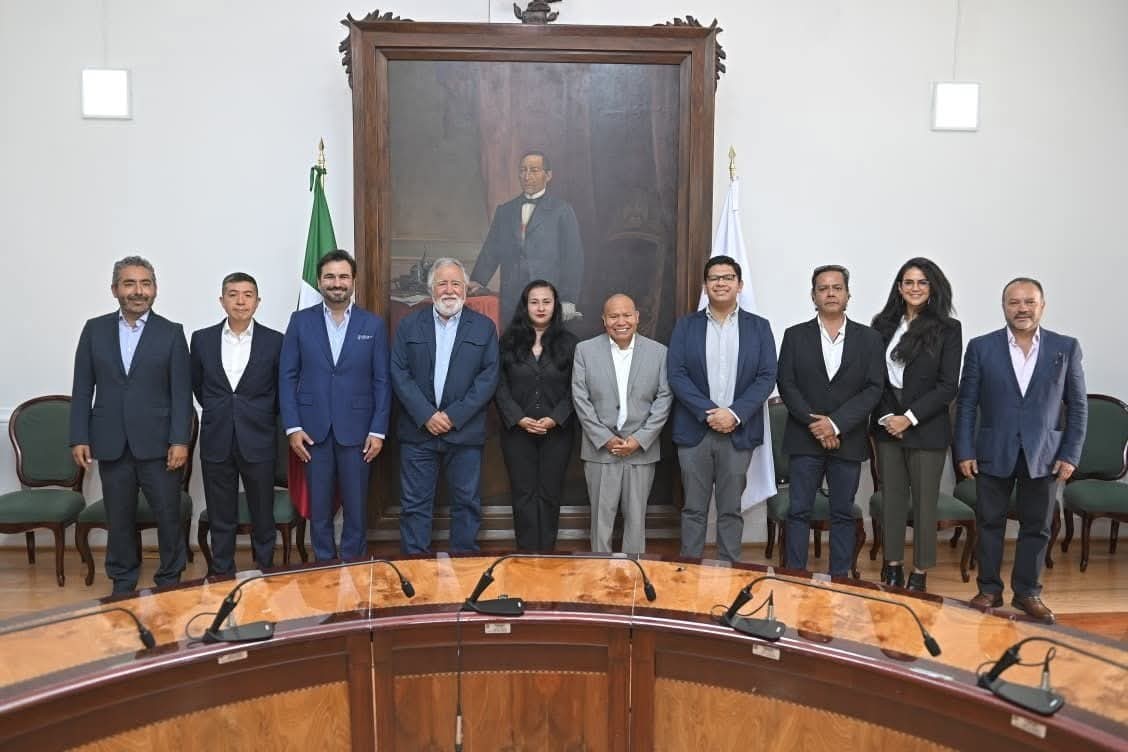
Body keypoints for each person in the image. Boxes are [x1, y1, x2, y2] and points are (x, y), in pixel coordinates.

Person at [954, 277, 1086, 624]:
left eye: (1029, 302)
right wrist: (964, 450)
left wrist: (1070, 454)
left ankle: (1027, 593)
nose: (1022, 309)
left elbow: (1078, 406)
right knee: (989, 522)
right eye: (1014, 302)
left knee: (1037, 527)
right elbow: (966, 404)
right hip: (993, 450)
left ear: (1042, 306)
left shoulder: (1066, 347)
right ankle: (989, 589)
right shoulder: (981, 347)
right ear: (1004, 307)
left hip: (1044, 454)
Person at [69, 256, 192, 594]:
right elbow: (83, 388)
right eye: (130, 283)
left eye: (145, 284)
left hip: (160, 445)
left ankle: (170, 579)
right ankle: (122, 582)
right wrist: (79, 436)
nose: (139, 291)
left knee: (168, 516)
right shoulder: (94, 330)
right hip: (112, 442)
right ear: (115, 289)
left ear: (155, 289)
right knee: (119, 518)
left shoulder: (171, 333)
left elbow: (181, 393)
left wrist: (180, 440)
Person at [279, 250, 391, 561]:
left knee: (356, 508)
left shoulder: (373, 324)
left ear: (353, 281)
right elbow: (287, 376)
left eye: (343, 276)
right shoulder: (300, 322)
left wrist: (378, 430)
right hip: (312, 432)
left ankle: (354, 565)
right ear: (319, 282)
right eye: (329, 277)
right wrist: (293, 427)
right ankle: (324, 567)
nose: (336, 283)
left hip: (359, 433)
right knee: (320, 509)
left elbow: (382, 381)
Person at [667, 255, 777, 563]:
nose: (721, 283)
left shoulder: (759, 327)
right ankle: (689, 570)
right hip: (695, 431)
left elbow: (767, 376)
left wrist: (734, 414)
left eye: (728, 277)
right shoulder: (686, 326)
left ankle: (730, 570)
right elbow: (677, 374)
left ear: (739, 285)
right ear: (705, 286)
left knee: (730, 510)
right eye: (714, 278)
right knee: (693, 509)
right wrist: (709, 413)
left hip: (738, 432)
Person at [776, 265, 884, 577]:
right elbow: (787, 384)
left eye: (837, 287)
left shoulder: (870, 339)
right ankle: (795, 577)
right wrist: (817, 425)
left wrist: (835, 424)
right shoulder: (795, 335)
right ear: (813, 296)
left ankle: (840, 580)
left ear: (848, 294)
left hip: (847, 439)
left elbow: (873, 388)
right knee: (799, 511)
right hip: (804, 438)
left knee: (842, 512)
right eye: (823, 288)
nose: (831, 293)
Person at [391, 258, 500, 554]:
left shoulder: (484, 328)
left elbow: (488, 378)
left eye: (455, 284)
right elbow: (399, 373)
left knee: (466, 504)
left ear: (465, 289)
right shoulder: (409, 324)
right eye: (442, 283)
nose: (449, 290)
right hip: (418, 432)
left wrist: (452, 416)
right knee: (415, 506)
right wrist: (427, 415)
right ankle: (416, 571)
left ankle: (463, 569)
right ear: (431, 289)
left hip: (464, 433)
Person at [870, 258, 962, 592]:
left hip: (926, 426)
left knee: (924, 504)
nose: (915, 288)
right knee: (892, 500)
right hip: (887, 425)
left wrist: (908, 418)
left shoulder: (948, 328)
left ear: (933, 287)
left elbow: (948, 386)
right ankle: (893, 564)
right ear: (899, 287)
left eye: (922, 282)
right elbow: (873, 378)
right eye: (908, 282)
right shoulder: (881, 325)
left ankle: (921, 570)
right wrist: (887, 417)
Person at [190, 272, 283, 576]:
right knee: (221, 513)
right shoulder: (202, 339)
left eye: (247, 295)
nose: (240, 301)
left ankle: (264, 568)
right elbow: (198, 385)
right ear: (222, 300)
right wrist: (222, 410)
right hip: (217, 437)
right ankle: (222, 571)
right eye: (233, 294)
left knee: (262, 512)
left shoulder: (275, 341)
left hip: (259, 438)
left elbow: (280, 391)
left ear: (258, 301)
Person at [572, 294, 672, 554]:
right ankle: (600, 571)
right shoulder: (585, 351)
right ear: (604, 320)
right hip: (600, 451)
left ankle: (633, 571)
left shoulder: (659, 352)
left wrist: (640, 439)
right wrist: (605, 438)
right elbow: (580, 399)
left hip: (641, 450)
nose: (621, 322)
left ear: (637, 317)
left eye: (627, 315)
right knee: (600, 521)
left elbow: (664, 399)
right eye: (614, 316)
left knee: (636, 521)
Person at [496, 279, 579, 552]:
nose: (541, 307)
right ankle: (526, 554)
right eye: (534, 302)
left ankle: (547, 554)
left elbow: (577, 388)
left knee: (550, 493)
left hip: (558, 431)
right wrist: (518, 418)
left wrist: (555, 417)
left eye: (546, 302)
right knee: (523, 494)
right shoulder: (508, 341)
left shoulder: (570, 343)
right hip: (517, 432)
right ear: (525, 306)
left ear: (555, 306)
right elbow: (499, 386)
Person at [469, 151, 584, 323]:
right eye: (523, 170)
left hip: (546, 298)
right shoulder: (505, 211)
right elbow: (491, 250)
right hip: (511, 299)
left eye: (534, 170)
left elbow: (573, 258)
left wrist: (568, 299)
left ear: (548, 175)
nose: (527, 176)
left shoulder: (562, 211)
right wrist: (477, 281)